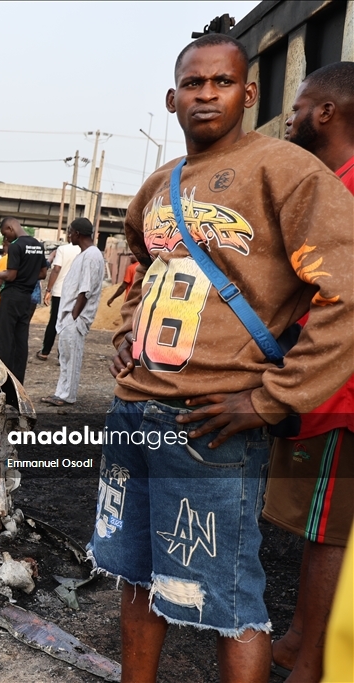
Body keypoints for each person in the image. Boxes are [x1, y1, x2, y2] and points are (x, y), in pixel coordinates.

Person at [97, 35, 353, 683]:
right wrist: (129, 331)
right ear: (172, 98)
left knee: (227, 601)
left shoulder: (287, 172)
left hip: (210, 424)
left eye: (221, 82)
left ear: (249, 93)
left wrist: (272, 397)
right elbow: (145, 265)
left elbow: (347, 294)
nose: (206, 94)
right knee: (134, 575)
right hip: (133, 414)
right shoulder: (159, 185)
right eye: (193, 83)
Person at [262, 61, 354, 683]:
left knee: (329, 529)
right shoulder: (331, 182)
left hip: (339, 391)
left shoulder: (345, 189)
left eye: (297, 107)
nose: (290, 119)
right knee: (319, 522)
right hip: (326, 386)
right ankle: (300, 639)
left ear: (326, 112)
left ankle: (313, 662)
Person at [40, 218, 103, 407]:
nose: (69, 235)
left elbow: (85, 290)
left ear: (77, 233)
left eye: (70, 232)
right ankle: (61, 393)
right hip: (70, 315)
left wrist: (74, 316)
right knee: (66, 358)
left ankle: (66, 395)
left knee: (71, 358)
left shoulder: (91, 255)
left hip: (75, 317)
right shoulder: (86, 254)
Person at [0, 217, 46, 386]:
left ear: (10, 227)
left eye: (5, 233)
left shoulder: (16, 246)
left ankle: (2, 383)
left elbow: (10, 276)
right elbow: (43, 273)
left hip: (11, 297)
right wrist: (27, 275)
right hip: (27, 299)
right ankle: (18, 384)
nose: (7, 238)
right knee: (20, 341)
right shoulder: (38, 246)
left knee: (3, 340)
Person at [37, 239, 81, 361]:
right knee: (69, 323)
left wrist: (48, 290)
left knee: (54, 322)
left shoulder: (62, 249)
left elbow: (56, 269)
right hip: (75, 293)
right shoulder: (84, 250)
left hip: (59, 292)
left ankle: (45, 352)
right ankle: (62, 355)